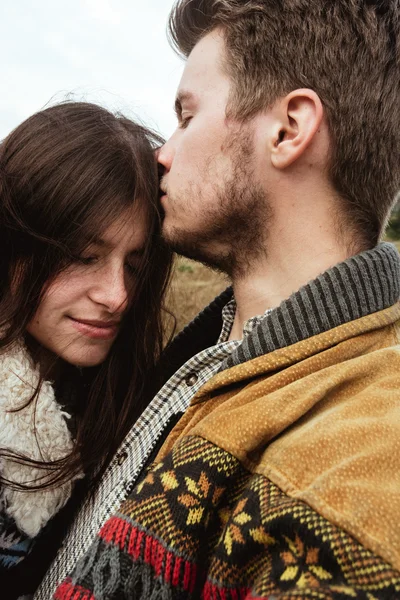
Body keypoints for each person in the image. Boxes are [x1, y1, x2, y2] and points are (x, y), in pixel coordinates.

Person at [48, 1, 400, 598]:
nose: (163, 152)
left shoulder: (358, 462)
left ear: (289, 130)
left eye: (187, 116)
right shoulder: (217, 346)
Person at [0, 101, 173, 597]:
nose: (116, 296)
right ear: (14, 244)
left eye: (134, 265)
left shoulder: (127, 405)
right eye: (83, 257)